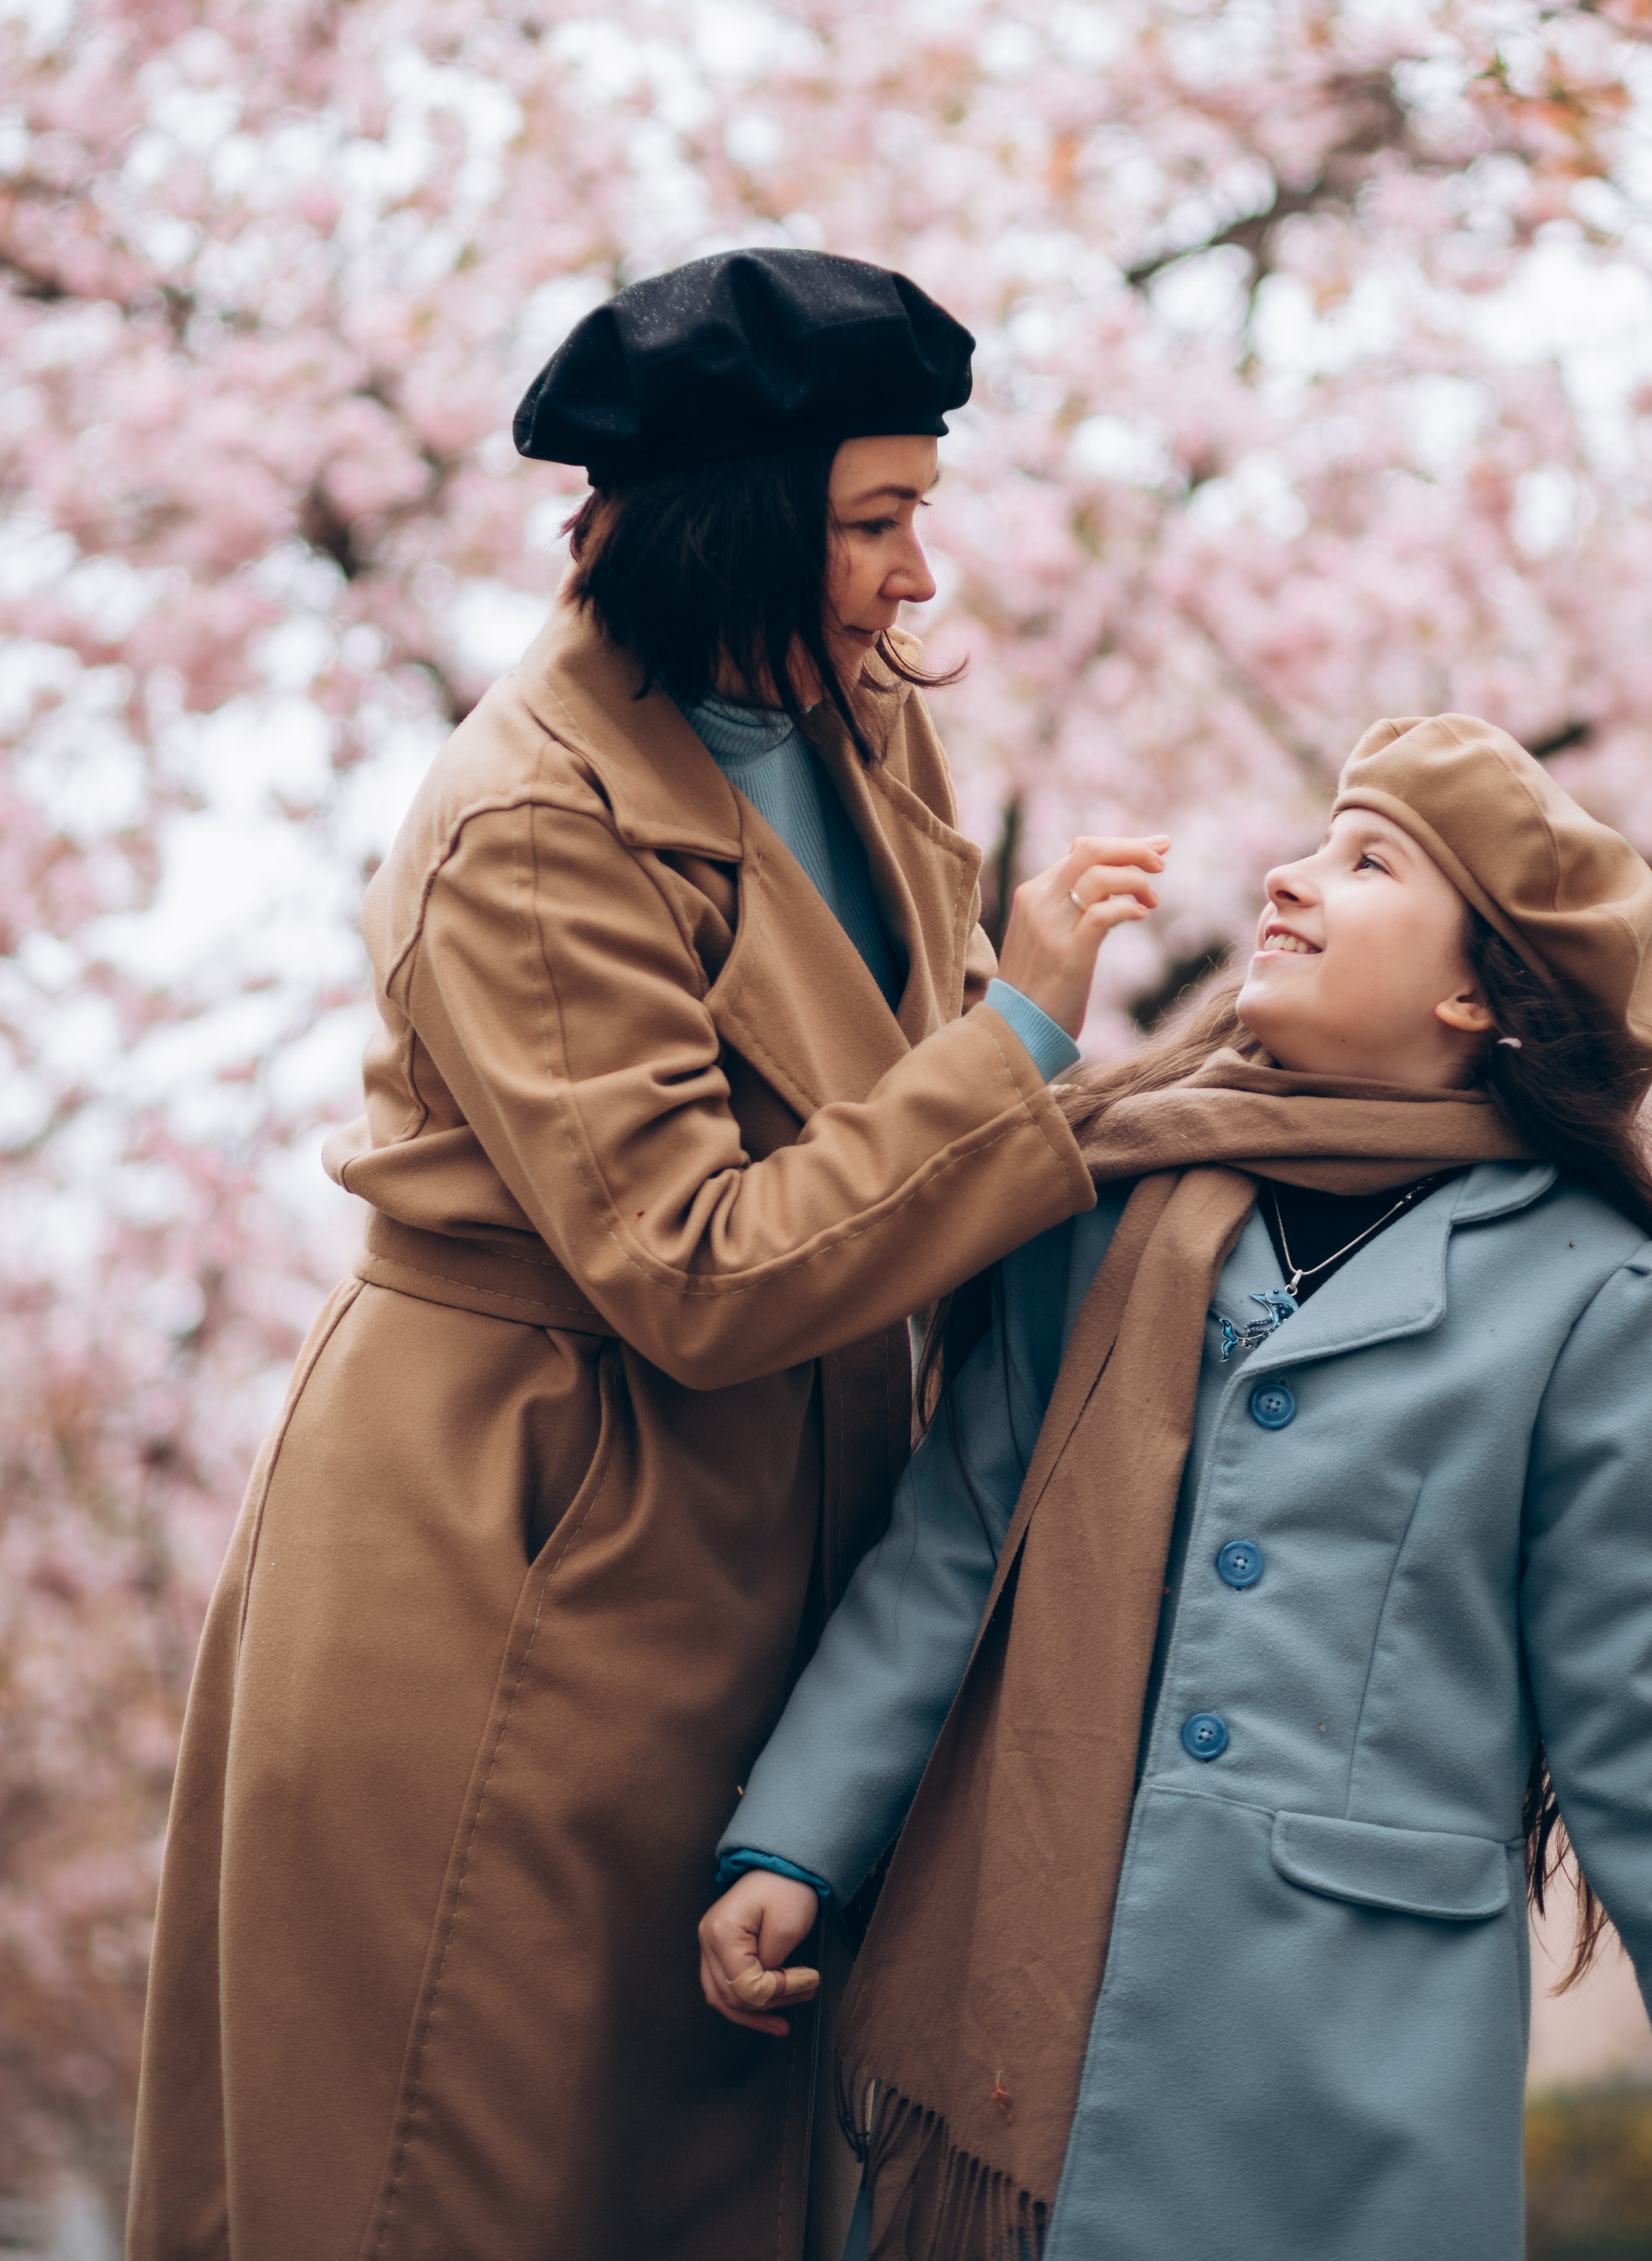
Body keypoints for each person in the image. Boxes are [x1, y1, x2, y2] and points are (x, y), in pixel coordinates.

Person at [127, 248, 1167, 2261]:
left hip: (773, 1566)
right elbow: (693, 1272)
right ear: (742, 527)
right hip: (521, 1574)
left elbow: (891, 1143)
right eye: (879, 523)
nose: (918, 578)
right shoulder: (528, 818)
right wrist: (1022, 1036)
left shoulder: (861, 728)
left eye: (920, 515)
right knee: (466, 2185)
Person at [697, 713, 1652, 2261]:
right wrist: (789, 1837)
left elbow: (1624, 1694)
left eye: (1366, 860)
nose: (1289, 876)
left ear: (1475, 990)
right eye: (1312, 840)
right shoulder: (1108, 1203)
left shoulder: (1592, 1295)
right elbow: (957, 1546)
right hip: (1024, 2006)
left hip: (1349, 2056)